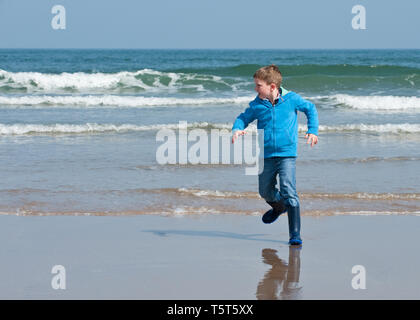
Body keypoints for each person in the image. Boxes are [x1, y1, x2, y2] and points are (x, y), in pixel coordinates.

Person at [231, 64, 319, 245]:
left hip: (287, 154)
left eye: (258, 85)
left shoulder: (291, 99)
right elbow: (243, 117)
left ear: (272, 86)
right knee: (265, 191)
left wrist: (313, 130)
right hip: (266, 155)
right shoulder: (257, 104)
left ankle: (295, 235)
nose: (255, 89)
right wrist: (237, 129)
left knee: (288, 189)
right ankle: (279, 207)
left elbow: (310, 109)